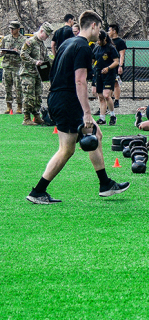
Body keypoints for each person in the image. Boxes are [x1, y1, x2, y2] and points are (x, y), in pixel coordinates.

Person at [26, 11, 129, 204]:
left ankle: (105, 184)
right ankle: (38, 191)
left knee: (96, 135)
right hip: (67, 100)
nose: (101, 31)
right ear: (93, 26)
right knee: (66, 149)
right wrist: (87, 113)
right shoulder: (82, 47)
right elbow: (80, 82)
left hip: (58, 98)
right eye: (100, 27)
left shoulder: (68, 43)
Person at [18, 22, 54, 125]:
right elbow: (23, 54)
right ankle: (26, 118)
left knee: (38, 95)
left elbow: (45, 58)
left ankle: (37, 116)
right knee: (28, 95)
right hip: (28, 73)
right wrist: (35, 61)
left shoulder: (41, 44)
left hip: (38, 74)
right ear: (41, 31)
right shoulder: (30, 41)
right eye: (46, 35)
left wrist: (55, 62)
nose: (47, 37)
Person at [91, 30, 119, 126]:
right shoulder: (96, 49)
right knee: (101, 97)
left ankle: (112, 115)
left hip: (109, 74)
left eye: (99, 40)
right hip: (98, 74)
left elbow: (116, 62)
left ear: (104, 39)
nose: (98, 42)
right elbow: (92, 60)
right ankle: (102, 118)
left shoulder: (111, 48)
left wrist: (108, 68)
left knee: (107, 95)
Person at [2, 20, 26, 114]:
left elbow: (26, 54)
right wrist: (2, 53)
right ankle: (9, 106)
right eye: (10, 29)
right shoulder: (6, 39)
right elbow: (1, 50)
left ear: (18, 29)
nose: (11, 30)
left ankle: (19, 106)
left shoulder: (23, 40)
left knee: (18, 87)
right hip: (7, 66)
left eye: (13, 29)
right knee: (7, 87)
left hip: (17, 66)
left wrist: (18, 51)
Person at [107, 24, 126, 109]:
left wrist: (120, 66)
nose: (108, 32)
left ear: (114, 31)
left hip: (117, 65)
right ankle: (109, 100)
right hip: (109, 65)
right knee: (108, 83)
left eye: (110, 30)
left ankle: (117, 100)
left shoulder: (120, 42)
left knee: (116, 83)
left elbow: (122, 55)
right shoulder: (108, 41)